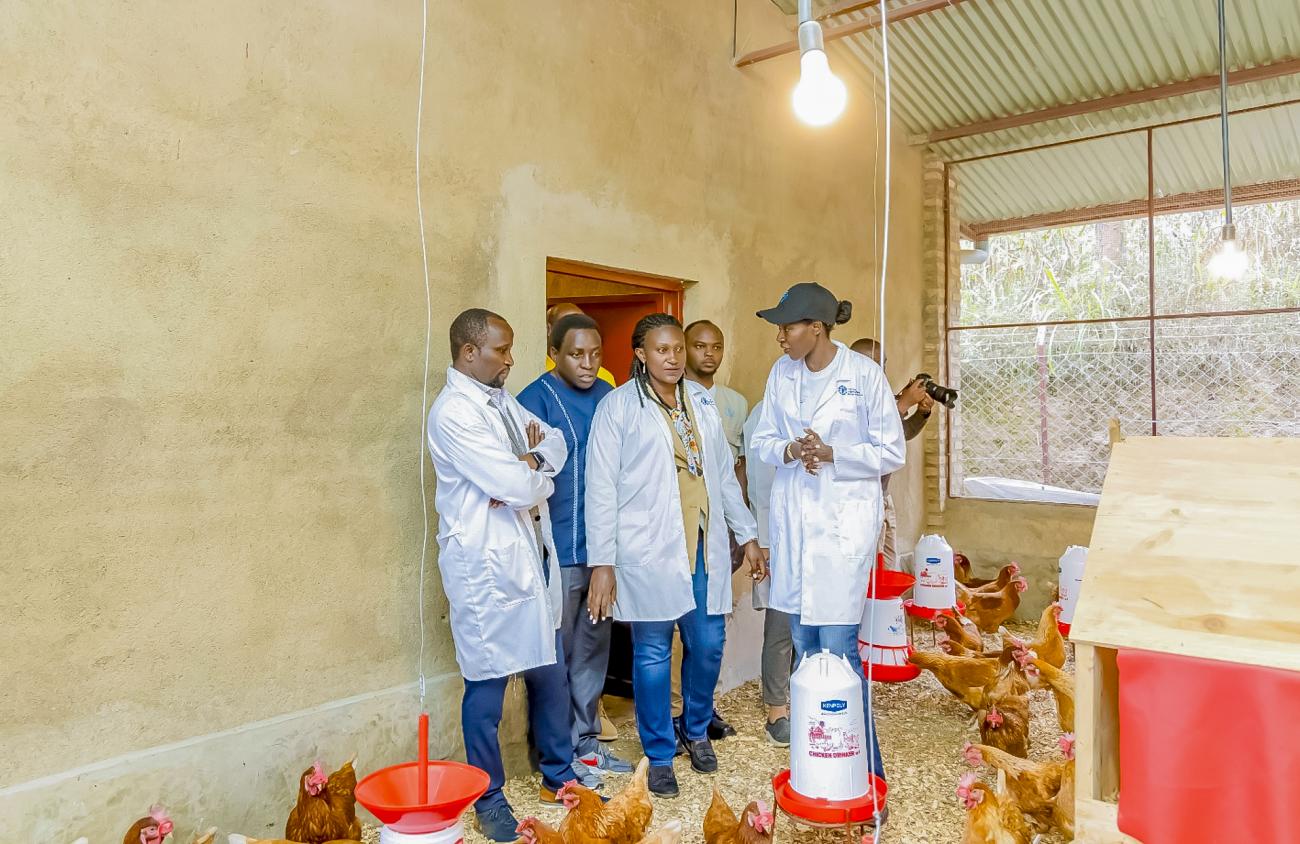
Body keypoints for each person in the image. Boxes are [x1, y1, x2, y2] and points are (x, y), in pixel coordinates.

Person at [585, 313, 766, 798]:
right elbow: (599, 487)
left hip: (702, 541)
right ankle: (659, 752)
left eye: (677, 350)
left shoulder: (701, 401)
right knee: (651, 652)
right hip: (648, 545)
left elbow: (724, 475)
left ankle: (697, 726)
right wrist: (602, 562)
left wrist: (747, 535)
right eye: (661, 350)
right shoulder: (619, 407)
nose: (673, 358)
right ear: (641, 354)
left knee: (707, 644)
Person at [426, 308, 585, 841]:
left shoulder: (499, 401)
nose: (510, 359)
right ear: (470, 352)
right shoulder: (454, 413)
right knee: (487, 687)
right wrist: (527, 472)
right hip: (485, 567)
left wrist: (529, 462)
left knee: (549, 671)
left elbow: (557, 445)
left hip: (528, 556)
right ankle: (489, 796)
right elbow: (515, 485)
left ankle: (558, 776)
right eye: (502, 349)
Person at [750, 283, 906, 791]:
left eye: (788, 327)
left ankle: (864, 776)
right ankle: (815, 769)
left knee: (837, 653)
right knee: (802, 648)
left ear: (816, 328)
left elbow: (891, 450)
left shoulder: (864, 376)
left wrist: (834, 452)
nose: (780, 337)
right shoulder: (782, 374)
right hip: (796, 531)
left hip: (840, 535)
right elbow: (763, 440)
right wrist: (793, 450)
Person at [516, 314, 631, 780]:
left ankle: (586, 743)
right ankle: (555, 756)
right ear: (554, 352)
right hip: (556, 549)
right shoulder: (532, 401)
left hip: (601, 549)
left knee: (591, 650)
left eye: (595, 355)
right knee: (555, 657)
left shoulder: (611, 398)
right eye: (575, 354)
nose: (587, 364)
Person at [681, 319, 748, 742]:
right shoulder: (657, 401)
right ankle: (677, 714)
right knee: (666, 634)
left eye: (716, 346)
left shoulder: (733, 404)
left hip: (716, 529)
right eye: (699, 345)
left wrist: (740, 530)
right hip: (674, 531)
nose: (708, 353)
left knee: (708, 634)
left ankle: (700, 714)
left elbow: (733, 471)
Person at [850, 337, 934, 570]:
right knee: (868, 570)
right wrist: (902, 405)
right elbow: (868, 439)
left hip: (883, 495)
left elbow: (900, 434)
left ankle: (885, 606)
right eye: (874, 363)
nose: (881, 370)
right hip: (861, 497)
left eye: (883, 363)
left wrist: (921, 413)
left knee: (889, 565)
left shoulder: (881, 393)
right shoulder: (848, 395)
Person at [741, 396, 793, 747]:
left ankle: (810, 699)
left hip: (824, 537)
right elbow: (760, 485)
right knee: (782, 624)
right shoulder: (766, 412)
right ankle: (777, 710)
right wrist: (762, 540)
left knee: (819, 626)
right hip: (780, 536)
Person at [545, 303, 617, 387]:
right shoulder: (536, 369)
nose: (576, 332)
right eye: (566, 326)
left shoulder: (604, 377)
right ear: (549, 329)